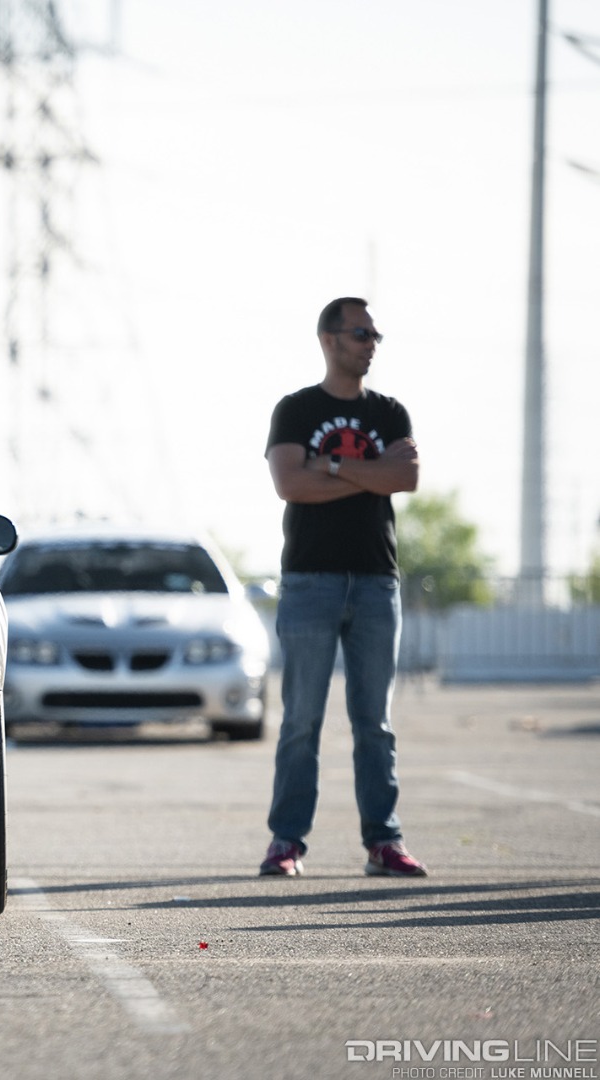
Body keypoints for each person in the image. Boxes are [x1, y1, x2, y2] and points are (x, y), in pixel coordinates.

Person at [259, 297, 427, 878]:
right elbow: (290, 484)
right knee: (301, 720)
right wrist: (370, 474)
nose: (371, 344)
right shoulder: (297, 410)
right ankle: (286, 842)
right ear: (329, 339)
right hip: (311, 582)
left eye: (375, 335)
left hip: (378, 583)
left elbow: (405, 476)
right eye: (361, 333)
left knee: (374, 724)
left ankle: (384, 842)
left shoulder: (390, 412)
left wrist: (328, 465)